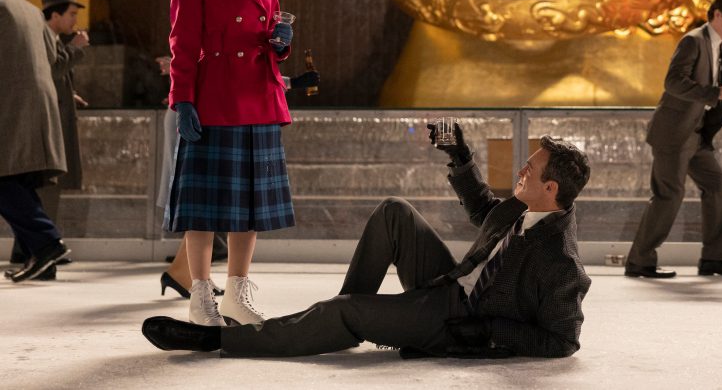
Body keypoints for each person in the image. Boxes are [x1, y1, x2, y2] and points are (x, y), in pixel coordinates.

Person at [142, 125, 592, 359]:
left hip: (461, 318)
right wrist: (461, 157)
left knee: (347, 313)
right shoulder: (525, 205)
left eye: (530, 170)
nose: (521, 171)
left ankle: (216, 341)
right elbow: (483, 213)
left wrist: (490, 333)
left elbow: (563, 340)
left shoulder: (561, 261)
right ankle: (336, 324)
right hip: (451, 283)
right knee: (394, 211)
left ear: (551, 190)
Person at [163, 0, 296, 326]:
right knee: (203, 208)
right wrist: (182, 99)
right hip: (216, 100)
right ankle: (200, 297)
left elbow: (272, 34)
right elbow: (182, 43)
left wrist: (281, 43)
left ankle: (237, 294)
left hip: (259, 96)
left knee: (251, 207)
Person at [155, 55, 318, 299]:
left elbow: (244, 75)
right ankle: (189, 276)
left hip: (208, 110)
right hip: (200, 113)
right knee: (203, 202)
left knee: (210, 202)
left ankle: (187, 274)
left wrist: (291, 79)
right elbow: (231, 75)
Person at [625, 0, 722, 278]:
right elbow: (673, 82)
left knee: (718, 186)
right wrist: (716, 93)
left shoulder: (719, 45)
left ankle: (714, 259)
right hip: (673, 134)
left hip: (696, 136)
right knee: (668, 195)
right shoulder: (693, 40)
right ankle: (639, 262)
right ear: (717, 15)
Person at [0, 0, 71, 283]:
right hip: (38, 104)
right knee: (19, 179)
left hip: (10, 104)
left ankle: (46, 243)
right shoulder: (28, 9)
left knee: (4, 179)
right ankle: (43, 259)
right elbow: (57, 59)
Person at [9, 0, 89, 271]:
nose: (74, 20)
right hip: (42, 124)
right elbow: (50, 69)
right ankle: (39, 248)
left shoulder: (45, 33)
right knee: (39, 188)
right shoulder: (40, 32)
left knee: (37, 188)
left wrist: (70, 94)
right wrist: (76, 50)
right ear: (54, 15)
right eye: (70, 13)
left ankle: (33, 250)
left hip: (46, 120)